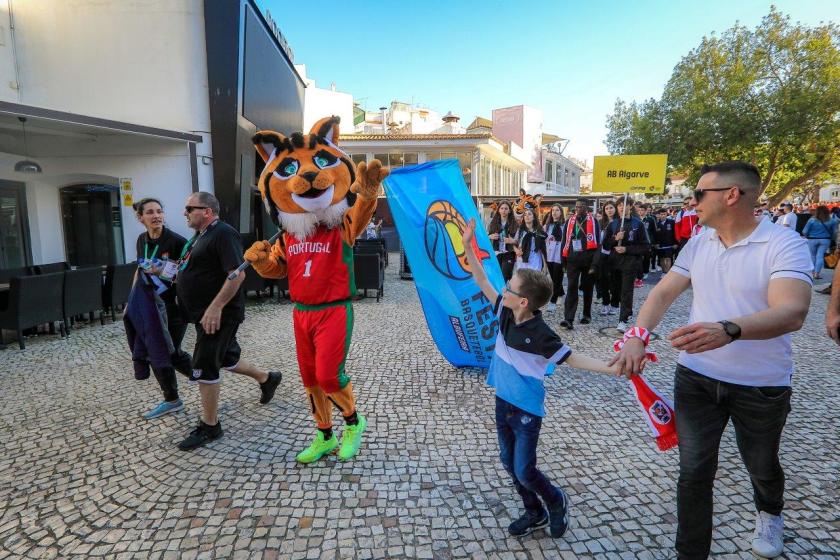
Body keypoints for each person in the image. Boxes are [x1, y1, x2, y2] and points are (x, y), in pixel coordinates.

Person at [611, 161, 812, 560]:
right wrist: (637, 336)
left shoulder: (784, 244)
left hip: (761, 384)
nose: (692, 201)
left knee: (762, 464)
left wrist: (729, 329)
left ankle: (770, 513)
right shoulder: (700, 240)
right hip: (696, 377)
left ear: (732, 195)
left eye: (700, 193)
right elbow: (663, 293)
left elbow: (792, 311)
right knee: (694, 472)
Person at [461, 217, 618, 539]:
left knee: (524, 469)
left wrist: (612, 368)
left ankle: (556, 500)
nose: (502, 289)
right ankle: (534, 513)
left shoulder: (542, 334)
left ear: (524, 302)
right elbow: (480, 277)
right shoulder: (504, 311)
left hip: (526, 411)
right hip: (502, 401)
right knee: (508, 462)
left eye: (510, 289)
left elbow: (572, 358)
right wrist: (467, 245)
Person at [175, 192, 282, 451]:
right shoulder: (200, 236)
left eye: (190, 208)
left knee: (205, 366)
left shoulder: (223, 233)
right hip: (203, 314)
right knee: (227, 358)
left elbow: (236, 275)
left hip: (218, 316)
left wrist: (216, 307)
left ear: (208, 211)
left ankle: (210, 426)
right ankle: (267, 378)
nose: (185, 213)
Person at [132, 198, 194, 419]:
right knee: (157, 352)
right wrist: (132, 300)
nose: (156, 215)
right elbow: (141, 268)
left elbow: (188, 275)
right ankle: (172, 398)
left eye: (159, 211)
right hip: (150, 305)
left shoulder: (177, 241)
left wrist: (162, 270)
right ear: (141, 218)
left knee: (172, 352)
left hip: (174, 306)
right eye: (150, 212)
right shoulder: (142, 240)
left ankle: (205, 377)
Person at [603, 198, 650, 332]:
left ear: (630, 207)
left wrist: (627, 249)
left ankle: (623, 319)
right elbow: (605, 244)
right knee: (615, 290)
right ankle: (621, 309)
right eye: (620, 206)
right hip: (614, 262)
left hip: (630, 263)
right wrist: (615, 239)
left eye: (625, 205)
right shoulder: (613, 224)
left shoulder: (638, 224)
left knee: (626, 291)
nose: (622, 208)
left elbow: (646, 247)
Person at [558, 198, 600, 329]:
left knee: (587, 288)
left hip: (588, 260)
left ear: (587, 207)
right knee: (571, 287)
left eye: (581, 206)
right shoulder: (569, 222)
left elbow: (598, 244)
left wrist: (595, 264)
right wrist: (563, 261)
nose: (578, 209)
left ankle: (586, 314)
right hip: (572, 260)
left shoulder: (593, 222)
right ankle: (568, 318)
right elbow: (564, 241)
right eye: (577, 207)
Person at [802, 205, 838, 280]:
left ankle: (811, 272)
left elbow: (804, 231)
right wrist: (832, 239)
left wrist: (807, 235)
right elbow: (835, 232)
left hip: (812, 239)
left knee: (812, 256)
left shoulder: (811, 220)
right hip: (825, 240)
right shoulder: (832, 221)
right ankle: (817, 273)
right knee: (820, 256)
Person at [487, 201, 518, 282]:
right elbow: (486, 237)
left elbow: (519, 240)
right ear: (499, 210)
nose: (504, 210)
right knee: (496, 277)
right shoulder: (493, 223)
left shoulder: (514, 223)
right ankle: (499, 294)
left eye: (506, 208)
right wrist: (490, 236)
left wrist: (512, 241)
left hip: (509, 253)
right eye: (502, 208)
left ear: (509, 211)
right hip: (496, 253)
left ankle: (505, 293)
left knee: (505, 276)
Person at [595, 200, 617, 315]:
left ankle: (614, 304)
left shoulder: (619, 222)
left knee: (615, 281)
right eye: (607, 208)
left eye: (611, 208)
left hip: (615, 255)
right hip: (602, 254)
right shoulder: (600, 222)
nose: (609, 210)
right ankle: (605, 303)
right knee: (602, 280)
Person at [543, 204, 566, 312]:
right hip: (549, 254)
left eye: (557, 210)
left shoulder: (564, 225)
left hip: (559, 255)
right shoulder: (547, 226)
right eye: (553, 210)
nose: (555, 212)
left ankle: (553, 301)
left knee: (557, 279)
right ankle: (561, 293)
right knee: (553, 278)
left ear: (561, 212)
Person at [513, 206, 547, 272]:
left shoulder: (539, 231)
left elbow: (543, 250)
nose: (527, 216)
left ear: (534, 217)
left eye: (529, 214)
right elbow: (514, 243)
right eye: (525, 215)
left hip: (535, 259)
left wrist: (545, 266)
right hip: (522, 259)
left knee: (534, 280)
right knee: (523, 281)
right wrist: (516, 250)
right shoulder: (520, 231)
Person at [637, 203, 657, 283]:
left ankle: (645, 272)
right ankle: (639, 273)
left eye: (642, 210)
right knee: (638, 258)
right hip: (638, 243)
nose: (641, 212)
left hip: (648, 242)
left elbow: (654, 231)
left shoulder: (651, 219)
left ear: (646, 211)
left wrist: (654, 242)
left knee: (646, 258)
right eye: (639, 210)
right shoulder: (636, 219)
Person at [654, 207, 677, 274]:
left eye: (664, 214)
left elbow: (675, 233)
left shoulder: (672, 222)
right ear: (658, 215)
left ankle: (668, 273)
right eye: (661, 214)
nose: (663, 216)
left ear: (667, 214)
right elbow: (655, 235)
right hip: (660, 245)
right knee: (662, 259)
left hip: (670, 244)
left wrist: (676, 243)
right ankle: (664, 272)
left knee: (668, 258)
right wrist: (656, 243)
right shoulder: (656, 224)